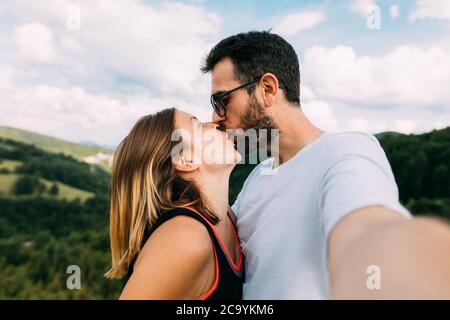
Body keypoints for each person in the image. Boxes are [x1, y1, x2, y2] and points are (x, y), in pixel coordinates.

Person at [202, 30, 450, 299]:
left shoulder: (345, 151)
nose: (215, 117)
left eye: (222, 100)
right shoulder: (257, 176)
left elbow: (367, 233)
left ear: (268, 89)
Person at [105, 108, 244, 299]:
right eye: (197, 125)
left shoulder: (228, 217)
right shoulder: (185, 238)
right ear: (185, 159)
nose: (214, 124)